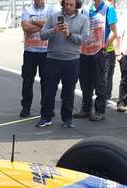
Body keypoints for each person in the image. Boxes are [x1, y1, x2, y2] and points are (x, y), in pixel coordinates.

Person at [37, 0, 89, 128]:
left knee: (68, 91)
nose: (68, 7)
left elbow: (84, 39)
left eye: (71, 4)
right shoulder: (54, 16)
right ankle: (46, 117)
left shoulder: (83, 19)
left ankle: (67, 119)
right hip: (52, 59)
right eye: (66, 4)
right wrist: (53, 30)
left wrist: (69, 34)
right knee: (49, 90)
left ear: (77, 5)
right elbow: (42, 35)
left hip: (72, 60)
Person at [75, 0, 117, 121]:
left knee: (99, 82)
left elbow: (114, 33)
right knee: (85, 81)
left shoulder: (109, 9)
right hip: (85, 51)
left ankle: (99, 111)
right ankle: (86, 108)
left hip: (99, 51)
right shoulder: (86, 9)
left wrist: (104, 46)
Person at [19, 0, 55, 117]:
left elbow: (53, 25)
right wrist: (44, 26)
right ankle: (26, 107)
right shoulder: (27, 10)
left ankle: (46, 108)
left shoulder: (51, 9)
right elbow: (25, 27)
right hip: (30, 51)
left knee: (47, 81)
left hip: (46, 51)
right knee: (27, 80)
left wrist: (33, 21)